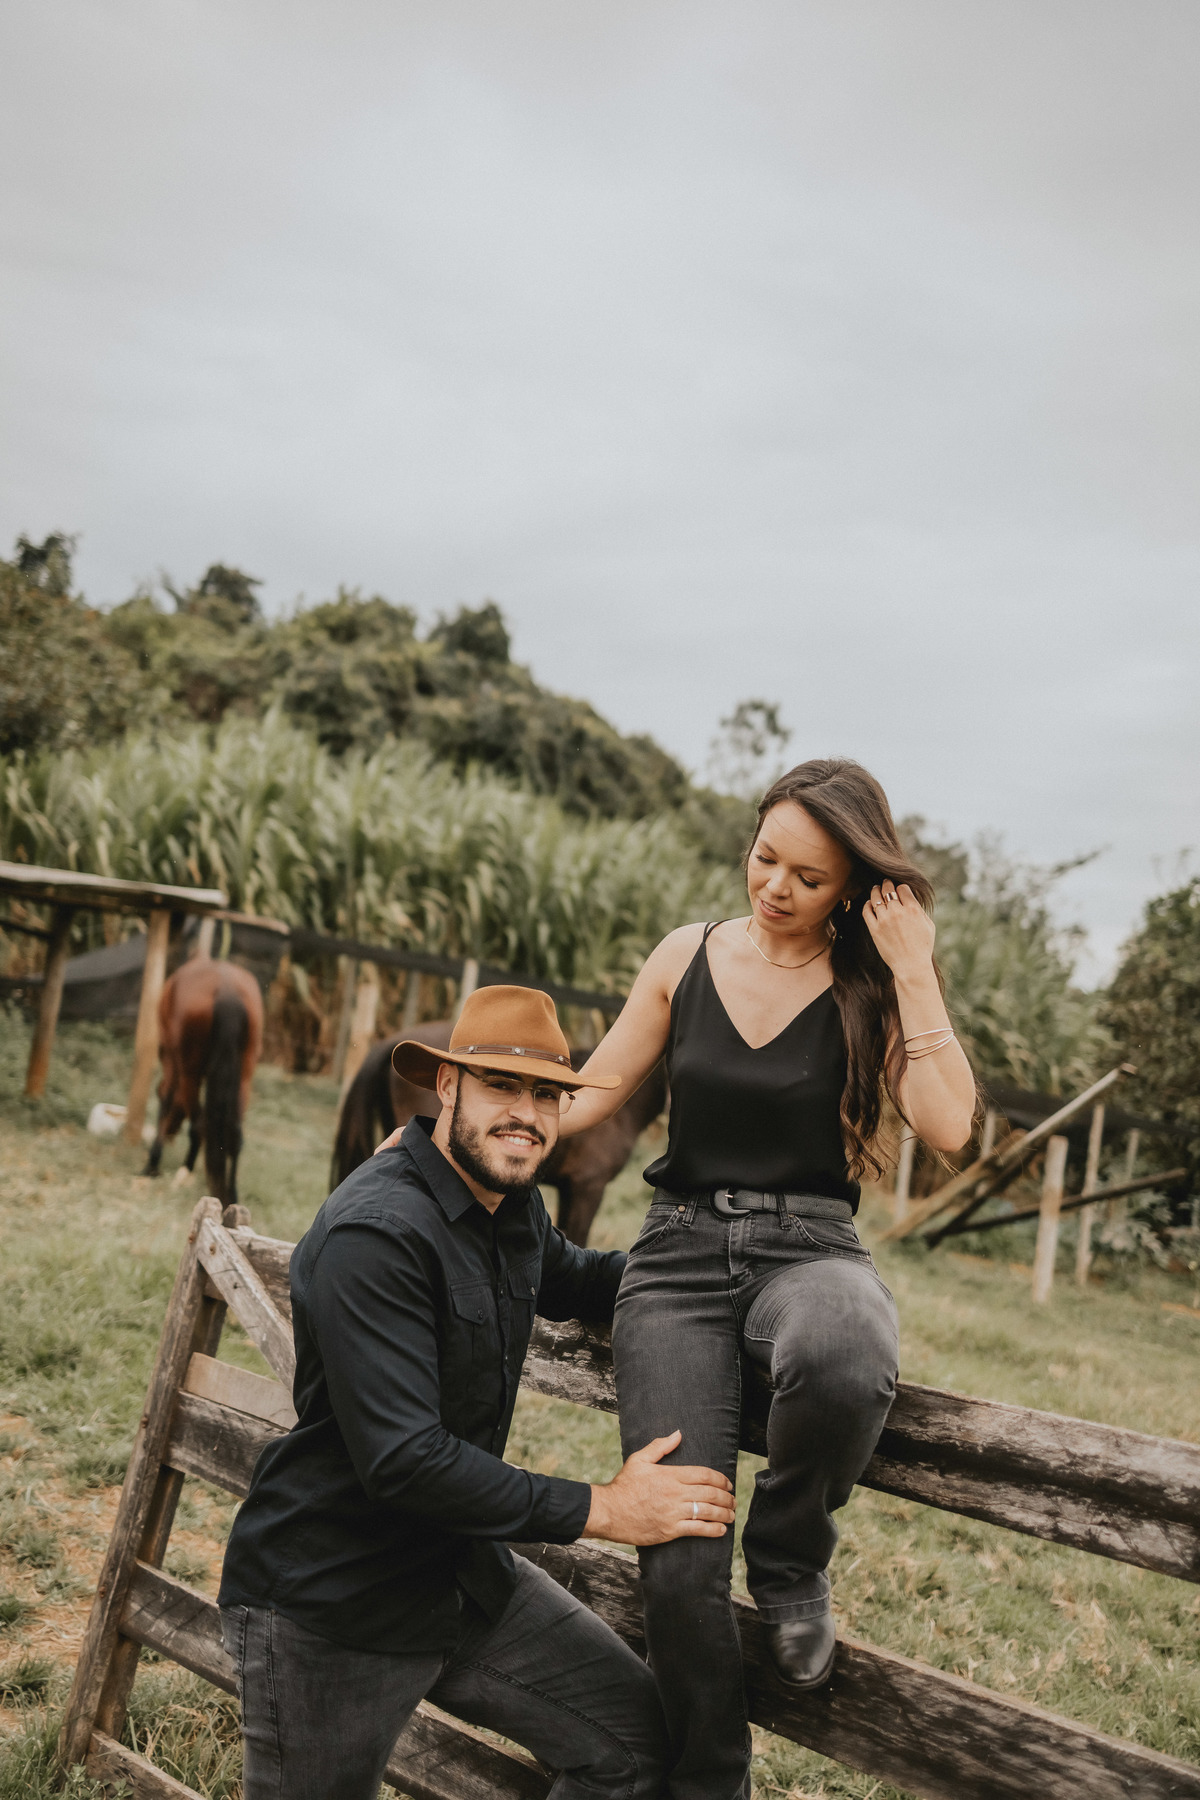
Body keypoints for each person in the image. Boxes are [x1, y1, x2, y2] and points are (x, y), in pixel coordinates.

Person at [557, 758, 977, 1800]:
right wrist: (464, 1125)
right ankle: (711, 1783)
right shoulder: (685, 956)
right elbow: (591, 1091)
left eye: (810, 877)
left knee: (846, 1349)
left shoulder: (870, 988)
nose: (777, 887)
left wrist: (915, 967)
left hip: (811, 1250)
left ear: (855, 888)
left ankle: (790, 1559)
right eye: (764, 858)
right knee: (678, 1548)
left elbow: (949, 1126)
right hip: (676, 1260)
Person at [218, 984, 736, 1800]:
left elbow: (585, 1277)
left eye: (546, 1094)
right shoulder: (376, 1234)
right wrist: (608, 1508)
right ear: (447, 1084)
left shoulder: (512, 1206)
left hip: (459, 1574)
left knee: (637, 1746)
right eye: (501, 1085)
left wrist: (732, 1282)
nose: (525, 1114)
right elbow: (406, 1461)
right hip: (333, 1599)